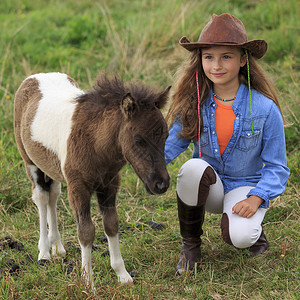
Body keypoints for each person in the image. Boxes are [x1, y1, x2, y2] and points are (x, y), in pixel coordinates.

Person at [164, 13, 290, 275]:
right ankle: (190, 246)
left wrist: (257, 198)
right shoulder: (194, 104)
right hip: (208, 188)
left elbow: (277, 167)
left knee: (241, 237)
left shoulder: (265, 109)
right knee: (192, 168)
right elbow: (168, 148)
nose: (216, 65)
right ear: (200, 60)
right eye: (209, 57)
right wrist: (134, 160)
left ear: (243, 59)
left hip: (245, 188)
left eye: (226, 57)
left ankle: (251, 231)